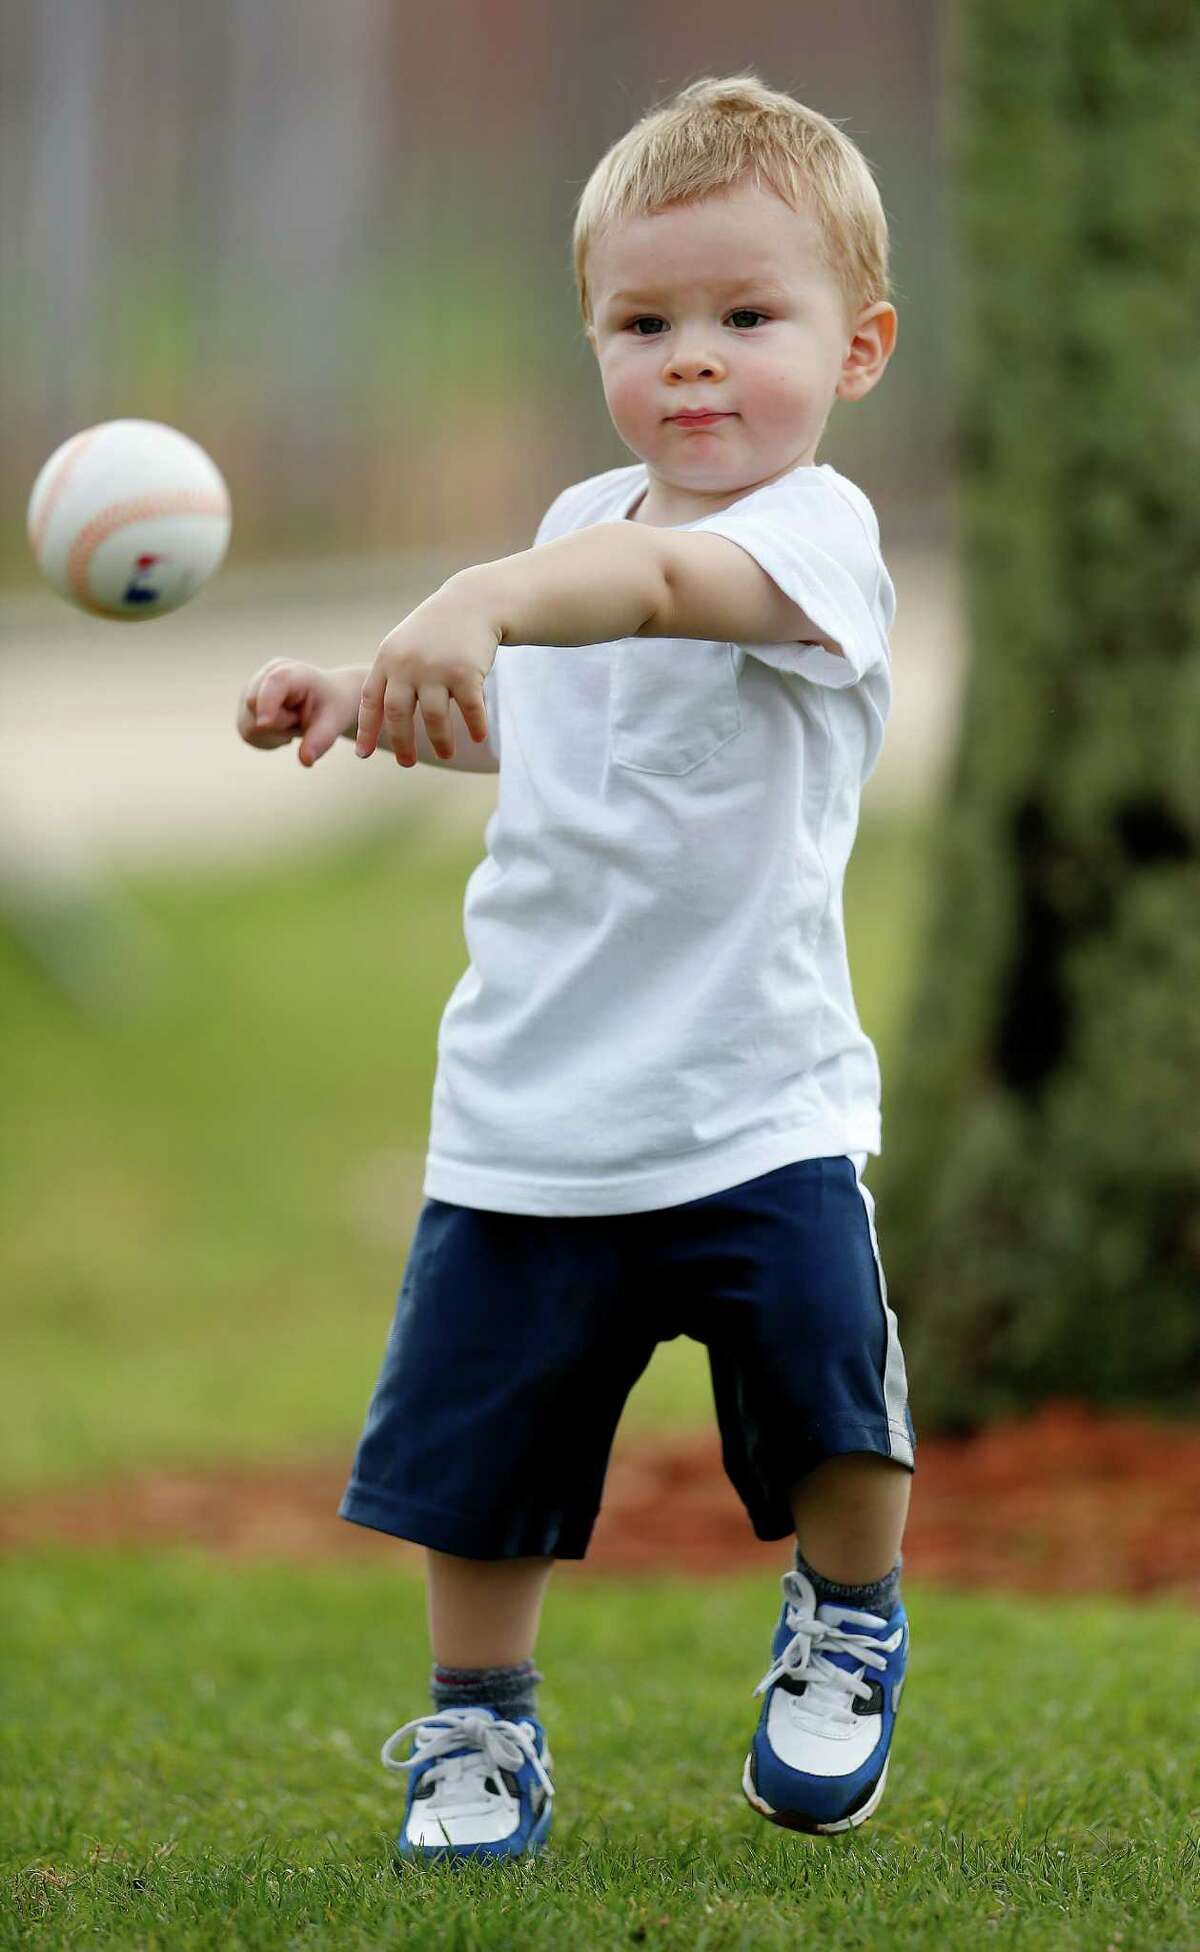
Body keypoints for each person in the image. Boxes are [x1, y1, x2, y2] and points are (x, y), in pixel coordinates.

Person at [237, 71, 915, 1861]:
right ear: (597, 340)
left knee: (836, 1398)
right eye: (646, 321)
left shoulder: (809, 541)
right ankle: (479, 1732)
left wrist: (477, 591)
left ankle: (848, 1615)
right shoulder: (568, 535)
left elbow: (665, 597)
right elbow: (555, 705)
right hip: (534, 1102)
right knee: (485, 1462)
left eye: (748, 317)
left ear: (859, 350)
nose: (695, 360)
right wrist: (381, 690)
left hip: (754, 1097)